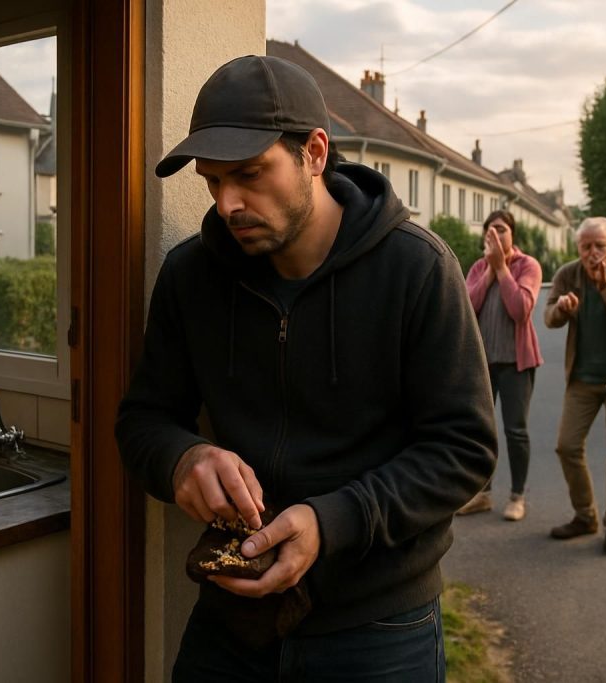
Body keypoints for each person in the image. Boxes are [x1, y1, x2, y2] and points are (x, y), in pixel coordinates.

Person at [115, 55, 497, 681]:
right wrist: (183, 458)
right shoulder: (190, 277)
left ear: (315, 152)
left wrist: (332, 521)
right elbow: (144, 419)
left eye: (248, 174)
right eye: (212, 182)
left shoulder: (417, 269)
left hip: (378, 625)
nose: (229, 203)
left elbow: (466, 449)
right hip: (231, 617)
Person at [544, 216, 606, 556]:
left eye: (600, 245)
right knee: (567, 447)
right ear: (578, 248)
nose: (592, 252)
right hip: (581, 379)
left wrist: (604, 287)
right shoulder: (568, 274)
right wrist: (563, 310)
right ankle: (585, 516)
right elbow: (548, 317)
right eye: (586, 246)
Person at [458, 210, 543, 521]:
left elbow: (520, 310)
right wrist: (491, 272)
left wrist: (503, 269)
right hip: (482, 365)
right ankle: (482, 494)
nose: (495, 235)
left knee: (515, 430)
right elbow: (467, 307)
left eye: (502, 229)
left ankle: (517, 497)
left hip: (517, 364)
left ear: (513, 235)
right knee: (481, 430)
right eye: (490, 230)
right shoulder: (479, 267)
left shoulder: (528, 266)